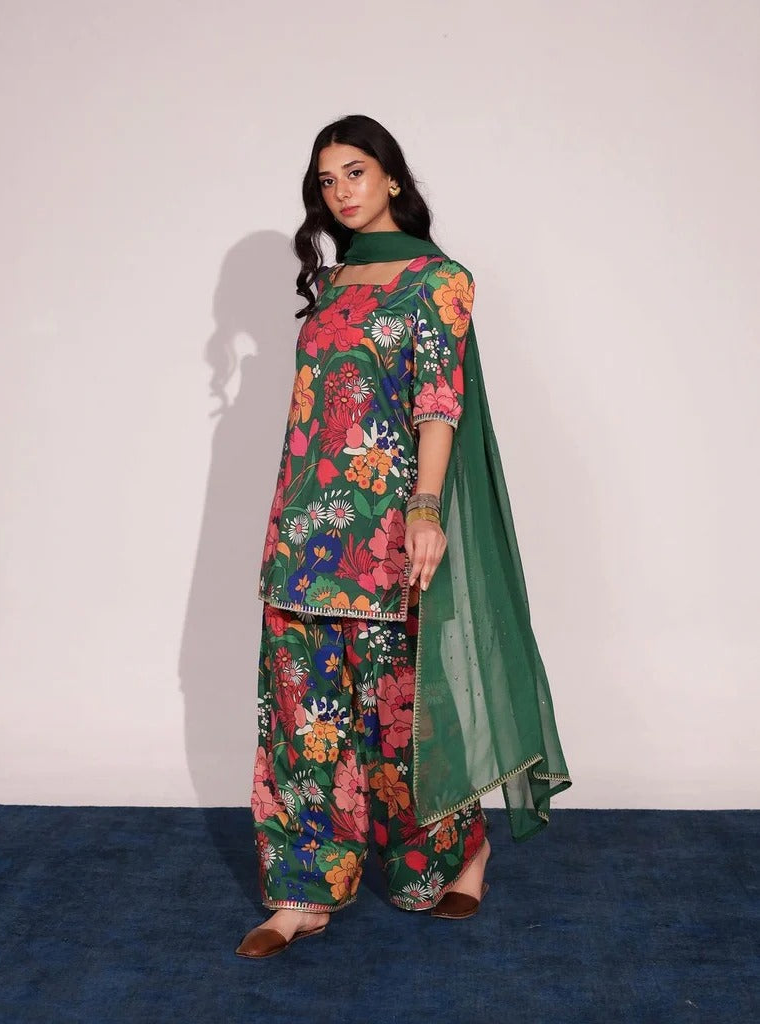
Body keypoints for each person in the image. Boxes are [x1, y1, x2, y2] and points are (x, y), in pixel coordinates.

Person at [236, 114, 571, 959]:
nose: (341, 191)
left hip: (386, 532)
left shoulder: (437, 281)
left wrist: (424, 509)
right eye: (326, 180)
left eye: (355, 171)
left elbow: (436, 401)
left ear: (391, 176)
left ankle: (457, 857)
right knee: (299, 718)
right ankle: (302, 892)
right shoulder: (330, 284)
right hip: (303, 532)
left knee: (397, 714)